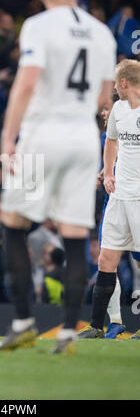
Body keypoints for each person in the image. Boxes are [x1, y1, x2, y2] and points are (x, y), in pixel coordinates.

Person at [0, 0, 116, 353]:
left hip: (43, 135)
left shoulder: (37, 25)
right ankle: (67, 332)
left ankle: (23, 322)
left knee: (13, 223)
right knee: (76, 234)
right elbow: (103, 98)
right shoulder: (102, 33)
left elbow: (27, 82)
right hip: (83, 139)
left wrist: (8, 138)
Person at [78, 59, 140, 340]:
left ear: (125, 83)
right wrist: (108, 171)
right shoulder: (118, 109)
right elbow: (111, 141)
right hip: (119, 195)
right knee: (105, 259)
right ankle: (96, 326)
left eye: (116, 82)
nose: (114, 87)